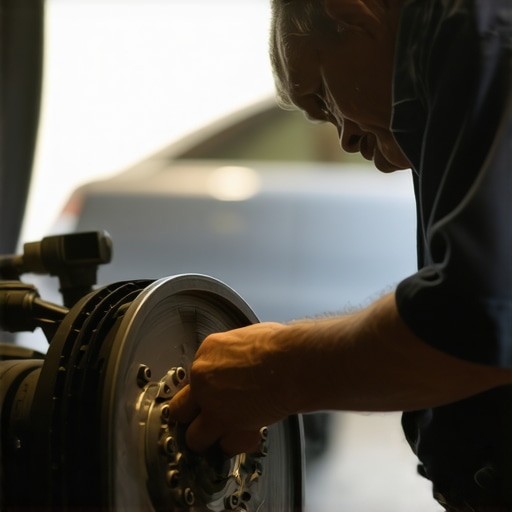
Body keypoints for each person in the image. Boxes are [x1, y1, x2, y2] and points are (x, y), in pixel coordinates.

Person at [168, 1, 512, 510]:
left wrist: (272, 368)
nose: (347, 137)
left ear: (352, 12)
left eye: (322, 100)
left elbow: (479, 321)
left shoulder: (474, 29)